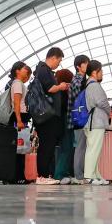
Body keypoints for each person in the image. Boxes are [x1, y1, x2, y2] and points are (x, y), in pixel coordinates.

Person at [33, 47, 70, 184]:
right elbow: (49, 88)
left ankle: (44, 174)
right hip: (46, 116)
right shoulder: (44, 70)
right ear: (53, 57)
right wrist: (61, 86)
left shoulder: (44, 70)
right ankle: (41, 176)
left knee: (48, 145)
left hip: (47, 115)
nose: (58, 64)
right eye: (59, 61)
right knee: (46, 146)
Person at [82, 61, 112, 184]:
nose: (102, 74)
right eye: (101, 71)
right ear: (95, 72)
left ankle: (95, 175)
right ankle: (89, 176)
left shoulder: (89, 85)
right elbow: (101, 102)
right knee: (93, 149)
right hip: (96, 122)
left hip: (92, 122)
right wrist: (109, 111)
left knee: (94, 149)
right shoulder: (94, 85)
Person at [68, 55, 90, 182]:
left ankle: (80, 174)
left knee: (81, 147)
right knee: (80, 147)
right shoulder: (78, 80)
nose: (88, 65)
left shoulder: (80, 80)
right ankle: (79, 175)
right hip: (80, 118)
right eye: (85, 63)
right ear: (78, 66)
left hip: (78, 118)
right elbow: (79, 98)